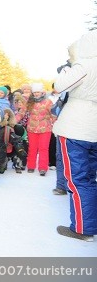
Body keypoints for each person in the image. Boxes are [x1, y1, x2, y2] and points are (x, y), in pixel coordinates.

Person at [53, 30, 97, 242]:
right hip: (94, 129)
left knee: (77, 180)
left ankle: (82, 228)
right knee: (89, 178)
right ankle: (89, 223)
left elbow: (59, 86)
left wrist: (73, 62)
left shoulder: (85, 65)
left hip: (75, 128)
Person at [26, 83, 56, 176]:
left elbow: (53, 114)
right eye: (34, 92)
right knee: (32, 148)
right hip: (32, 128)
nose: (36, 94)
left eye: (38, 92)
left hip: (45, 129)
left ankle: (43, 168)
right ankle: (31, 166)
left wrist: (55, 122)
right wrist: (13, 121)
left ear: (42, 92)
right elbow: (22, 112)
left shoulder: (48, 102)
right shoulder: (30, 102)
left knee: (43, 148)